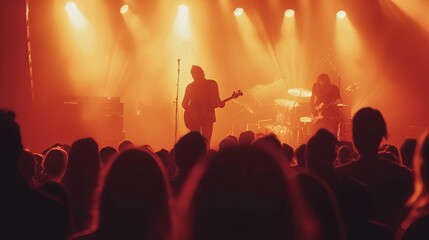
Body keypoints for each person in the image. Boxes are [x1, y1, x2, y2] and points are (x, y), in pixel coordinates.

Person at [182, 65, 224, 147]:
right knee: (195, 142)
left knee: (206, 142)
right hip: (194, 119)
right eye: (193, 75)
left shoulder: (212, 84)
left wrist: (220, 104)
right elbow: (184, 103)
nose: (195, 77)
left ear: (202, 73)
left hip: (207, 116)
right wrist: (193, 113)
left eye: (196, 74)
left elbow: (217, 100)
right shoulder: (190, 87)